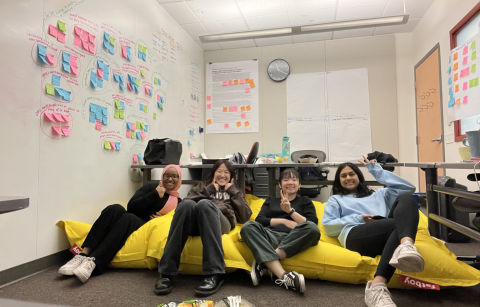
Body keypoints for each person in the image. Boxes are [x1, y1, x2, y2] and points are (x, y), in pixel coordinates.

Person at [322, 156, 422, 307]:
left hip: (386, 231)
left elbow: (408, 188)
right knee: (398, 224)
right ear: (338, 180)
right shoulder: (336, 199)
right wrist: (359, 218)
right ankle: (378, 283)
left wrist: (377, 171)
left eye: (351, 174)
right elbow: (329, 226)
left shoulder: (379, 194)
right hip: (355, 235)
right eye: (343, 176)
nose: (348, 178)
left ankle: (405, 247)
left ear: (359, 177)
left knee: (407, 198)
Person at [58, 165, 182, 283]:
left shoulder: (178, 202)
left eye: (174, 176)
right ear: (162, 176)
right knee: (115, 208)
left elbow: (172, 223)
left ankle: (94, 262)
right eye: (167, 175)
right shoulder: (151, 187)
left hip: (144, 226)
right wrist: (154, 194)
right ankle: (83, 254)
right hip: (131, 215)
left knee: (129, 218)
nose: (170, 179)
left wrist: (159, 220)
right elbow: (132, 206)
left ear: (179, 178)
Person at [154, 160, 252, 296]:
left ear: (231, 176)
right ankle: (166, 272)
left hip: (220, 222)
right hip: (196, 223)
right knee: (186, 205)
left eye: (226, 172)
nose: (222, 175)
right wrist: (209, 190)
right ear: (213, 173)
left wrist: (233, 191)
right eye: (219, 171)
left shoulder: (234, 191)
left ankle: (214, 273)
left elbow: (246, 215)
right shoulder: (203, 186)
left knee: (205, 204)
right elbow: (187, 201)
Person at [240, 168, 320, 294]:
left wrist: (290, 212)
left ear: (299, 185)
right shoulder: (271, 200)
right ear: (279, 184)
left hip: (294, 237)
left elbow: (312, 223)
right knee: (247, 227)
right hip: (270, 236)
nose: (290, 182)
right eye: (286, 179)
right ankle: (284, 276)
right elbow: (259, 220)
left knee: (312, 229)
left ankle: (264, 264)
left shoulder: (305, 201)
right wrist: (284, 221)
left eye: (294, 179)